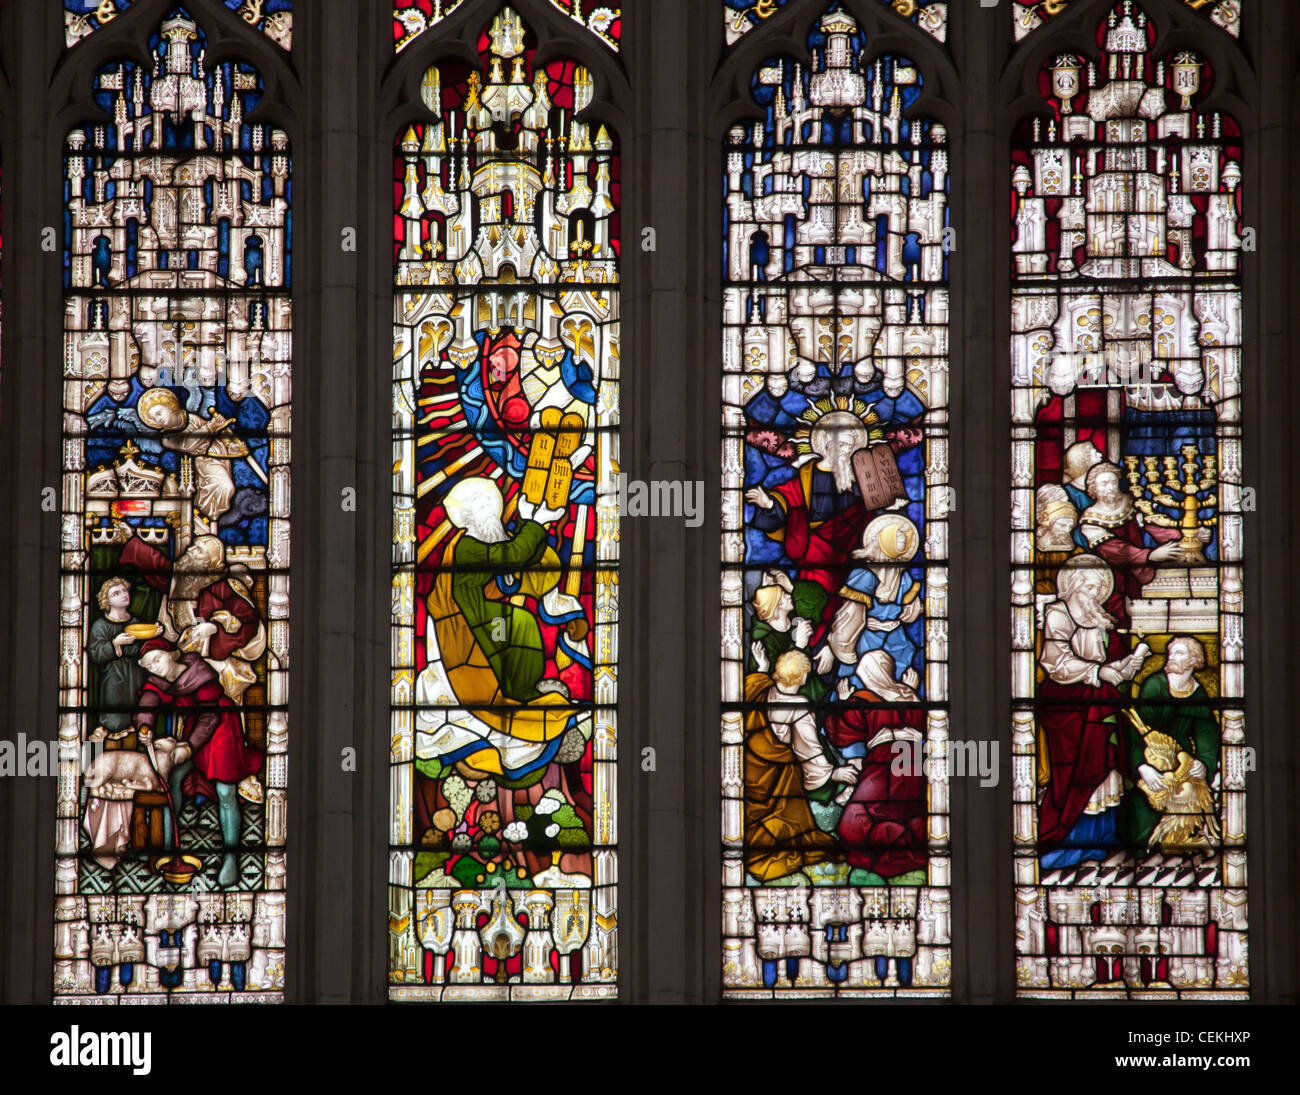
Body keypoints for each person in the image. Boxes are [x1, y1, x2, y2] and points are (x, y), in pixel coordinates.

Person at [1037, 555, 1150, 869]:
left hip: (1099, 702)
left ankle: (1103, 841)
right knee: (1075, 773)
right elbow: (1056, 662)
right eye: (1089, 587)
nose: (1095, 594)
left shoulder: (1100, 617)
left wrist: (1129, 664)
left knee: (1107, 765)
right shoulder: (1058, 613)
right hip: (1067, 706)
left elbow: (1110, 664)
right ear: (1073, 586)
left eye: (1099, 589)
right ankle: (1068, 843)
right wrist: (1098, 673)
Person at [134, 639, 263, 888]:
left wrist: (189, 747)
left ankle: (231, 858)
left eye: (157, 660)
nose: (155, 667)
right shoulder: (161, 679)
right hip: (196, 731)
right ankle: (168, 848)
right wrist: (144, 726)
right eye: (149, 665)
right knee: (174, 778)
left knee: (225, 791)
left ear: (173, 654)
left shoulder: (199, 674)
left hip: (221, 729)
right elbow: (148, 700)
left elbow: (209, 717)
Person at [742, 651, 860, 883]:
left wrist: (762, 667)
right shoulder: (799, 705)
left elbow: (747, 689)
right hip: (781, 776)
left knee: (757, 821)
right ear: (802, 677)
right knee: (792, 824)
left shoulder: (762, 690)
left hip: (753, 769)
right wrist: (833, 773)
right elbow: (808, 748)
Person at [745, 412, 876, 596]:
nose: (845, 450)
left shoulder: (860, 480)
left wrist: (888, 505)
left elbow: (871, 513)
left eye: (850, 446)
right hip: (814, 554)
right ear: (827, 444)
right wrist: (769, 505)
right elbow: (787, 498)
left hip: (851, 554)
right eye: (841, 444)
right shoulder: (807, 476)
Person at [824, 651, 928, 881]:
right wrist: (910, 690)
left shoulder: (865, 700)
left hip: (884, 764)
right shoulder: (911, 696)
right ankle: (909, 842)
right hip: (913, 763)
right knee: (909, 810)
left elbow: (839, 734)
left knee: (853, 822)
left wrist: (843, 702)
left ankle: (893, 845)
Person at [1119, 636, 1220, 850]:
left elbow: (1206, 732)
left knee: (1191, 797)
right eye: (1171, 652)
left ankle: (1179, 845)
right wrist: (1141, 767)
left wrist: (1204, 762)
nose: (1171, 656)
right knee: (1141, 813)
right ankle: (1144, 854)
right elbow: (1135, 731)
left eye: (1179, 652)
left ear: (1194, 660)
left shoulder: (1198, 693)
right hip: (1151, 759)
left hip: (1182, 762)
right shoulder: (1155, 685)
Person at [816, 515, 923, 685]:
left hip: (897, 641)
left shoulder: (903, 577)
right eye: (898, 537)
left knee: (900, 681)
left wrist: (905, 614)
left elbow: (911, 614)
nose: (903, 540)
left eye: (904, 539)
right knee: (861, 683)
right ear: (886, 542)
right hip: (866, 640)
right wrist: (835, 646)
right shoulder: (864, 577)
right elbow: (849, 618)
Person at [137, 387, 251, 522]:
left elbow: (216, 434)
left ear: (170, 407)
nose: (158, 419)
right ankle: (207, 517)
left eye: (159, 413)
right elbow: (188, 444)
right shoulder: (167, 438)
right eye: (154, 418)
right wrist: (211, 426)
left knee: (226, 488)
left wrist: (232, 445)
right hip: (204, 461)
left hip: (219, 453)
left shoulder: (191, 418)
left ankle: (212, 519)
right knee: (225, 487)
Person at [87, 577, 149, 747]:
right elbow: (95, 654)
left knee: (134, 716)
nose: (123, 595)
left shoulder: (135, 623)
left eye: (124, 590)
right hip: (113, 679)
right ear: (107, 601)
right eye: (116, 593)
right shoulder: (100, 626)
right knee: (114, 719)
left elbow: (141, 650)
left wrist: (152, 636)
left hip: (135, 676)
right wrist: (115, 644)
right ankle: (104, 756)